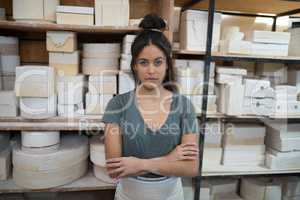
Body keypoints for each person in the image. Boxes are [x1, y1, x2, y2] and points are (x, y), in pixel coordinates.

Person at [102, 13, 199, 200]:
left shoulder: (184, 106)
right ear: (134, 66)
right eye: (143, 62)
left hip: (171, 195)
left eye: (158, 62)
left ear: (167, 65)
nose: (151, 70)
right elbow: (114, 170)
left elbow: (191, 167)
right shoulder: (117, 105)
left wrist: (140, 165)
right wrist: (170, 160)